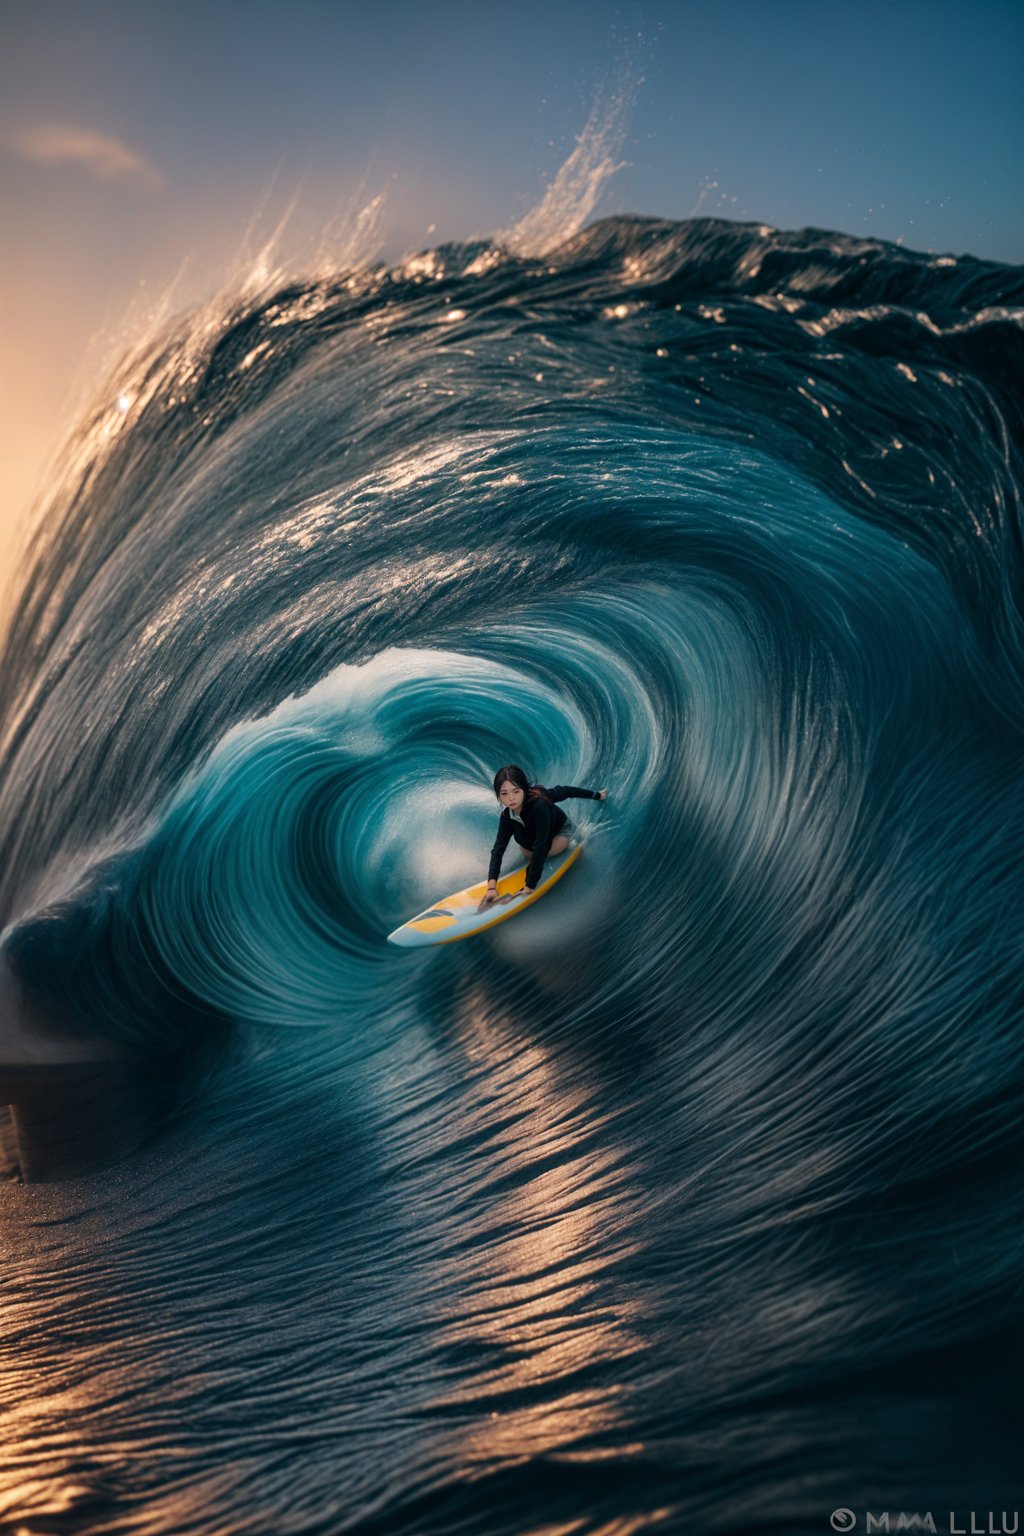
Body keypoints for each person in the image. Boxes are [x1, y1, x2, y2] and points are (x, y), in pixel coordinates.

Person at [478, 765, 607, 911]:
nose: (511, 798)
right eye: (504, 794)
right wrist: (491, 887)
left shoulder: (539, 803)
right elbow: (498, 850)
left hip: (557, 835)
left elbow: (567, 791)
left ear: (524, 789)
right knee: (526, 850)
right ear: (498, 795)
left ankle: (538, 865)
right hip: (531, 842)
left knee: (544, 851)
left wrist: (530, 884)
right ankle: (535, 862)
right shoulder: (507, 816)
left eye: (516, 791)